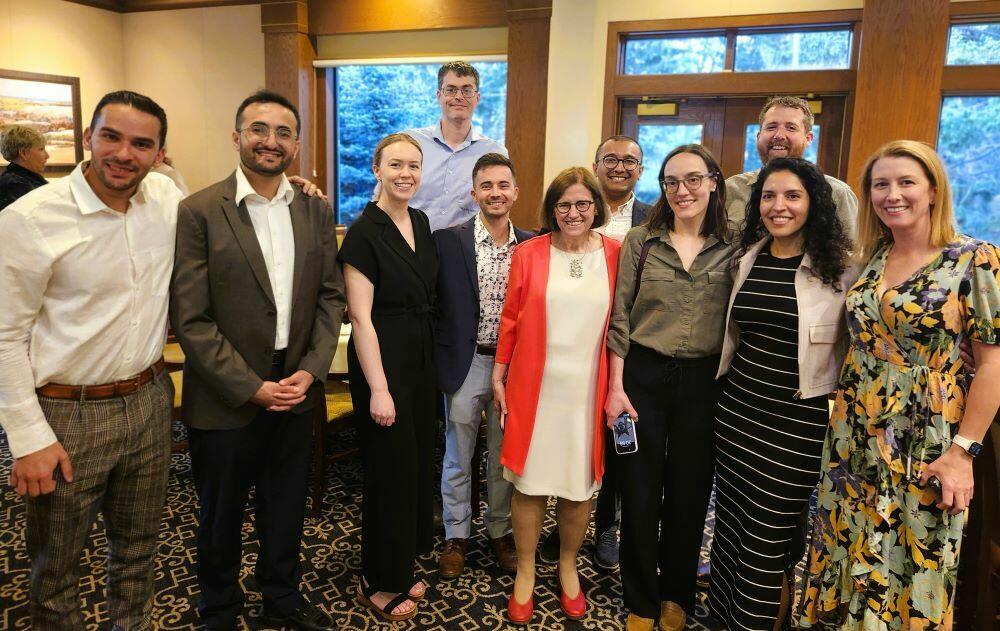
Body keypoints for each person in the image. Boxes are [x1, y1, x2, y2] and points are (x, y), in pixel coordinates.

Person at [799, 140, 1000, 629]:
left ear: (933, 190)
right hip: (855, 432)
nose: (893, 194)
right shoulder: (872, 256)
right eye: (881, 185)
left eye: (907, 182)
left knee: (914, 556)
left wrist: (963, 451)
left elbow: (993, 364)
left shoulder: (974, 258)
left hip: (928, 435)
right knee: (846, 544)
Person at [0, 91, 182, 629]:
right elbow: (5, 336)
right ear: (88, 138)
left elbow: (221, 219)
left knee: (140, 551)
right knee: (56, 567)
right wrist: (27, 437)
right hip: (66, 414)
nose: (124, 153)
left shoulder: (167, 199)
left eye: (141, 144)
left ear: (159, 153)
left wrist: (292, 190)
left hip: (150, 400)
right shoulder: (29, 219)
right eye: (112, 137)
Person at [169, 90, 345, 631]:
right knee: (220, 516)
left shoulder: (315, 207)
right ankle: (219, 609)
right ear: (237, 136)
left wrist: (310, 372)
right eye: (259, 129)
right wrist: (252, 387)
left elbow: (329, 298)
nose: (271, 141)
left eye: (283, 132)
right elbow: (191, 319)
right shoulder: (198, 210)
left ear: (296, 142)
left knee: (285, 508)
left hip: (294, 386)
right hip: (227, 396)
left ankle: (281, 601)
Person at [709, 157, 855, 631]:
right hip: (737, 411)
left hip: (796, 421)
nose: (779, 206)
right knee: (731, 526)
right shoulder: (749, 255)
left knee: (768, 537)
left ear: (814, 203)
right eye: (769, 196)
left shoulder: (840, 268)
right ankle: (724, 618)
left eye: (792, 196)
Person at [605, 144, 737, 631]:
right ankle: (640, 597)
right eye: (671, 182)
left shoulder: (735, 244)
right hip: (642, 377)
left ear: (713, 182)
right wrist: (615, 388)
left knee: (689, 492)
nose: (682, 191)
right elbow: (619, 318)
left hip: (704, 384)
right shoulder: (641, 241)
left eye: (693, 179)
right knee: (638, 491)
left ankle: (676, 594)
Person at [492, 167, 621, 625]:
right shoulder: (529, 253)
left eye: (583, 204)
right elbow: (510, 319)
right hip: (534, 387)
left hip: (589, 390)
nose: (573, 212)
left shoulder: (616, 254)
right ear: (552, 209)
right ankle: (525, 570)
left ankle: (568, 566)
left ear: (595, 208)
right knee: (528, 482)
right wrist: (499, 375)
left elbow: (622, 326)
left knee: (578, 483)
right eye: (564, 205)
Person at [537, 135, 652, 572]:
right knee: (571, 447)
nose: (619, 167)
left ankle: (607, 527)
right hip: (571, 357)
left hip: (624, 352)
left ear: (640, 169)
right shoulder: (573, 207)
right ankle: (560, 530)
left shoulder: (653, 218)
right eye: (610, 159)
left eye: (629, 161)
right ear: (597, 164)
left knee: (617, 450)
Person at [341, 132, 439, 622]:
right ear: (376, 169)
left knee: (416, 467)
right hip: (384, 364)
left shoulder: (419, 220)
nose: (406, 174)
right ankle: (377, 580)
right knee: (389, 473)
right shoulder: (363, 232)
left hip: (420, 362)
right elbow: (360, 318)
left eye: (414, 166)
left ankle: (399, 563)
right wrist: (379, 388)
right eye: (396, 164)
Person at [434, 152, 533, 577]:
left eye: (503, 185)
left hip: (513, 365)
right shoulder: (448, 240)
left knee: (503, 456)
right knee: (458, 453)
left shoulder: (532, 244)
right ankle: (456, 534)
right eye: (487, 185)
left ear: (515, 191)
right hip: (466, 360)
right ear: (474, 193)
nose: (496, 192)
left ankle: (498, 530)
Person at [394, 60, 507, 231]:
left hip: (465, 253)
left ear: (477, 98)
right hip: (410, 250)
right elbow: (384, 197)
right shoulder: (409, 142)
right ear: (439, 95)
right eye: (451, 89)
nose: (459, 96)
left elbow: (500, 209)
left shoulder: (494, 152)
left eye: (467, 90)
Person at [725, 96, 857, 238]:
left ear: (808, 138)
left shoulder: (837, 193)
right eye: (771, 127)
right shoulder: (730, 189)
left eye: (791, 128)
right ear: (758, 136)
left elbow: (852, 254)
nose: (779, 135)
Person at [0, 124, 49, 211]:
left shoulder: (23, 180)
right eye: (41, 149)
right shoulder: (15, 185)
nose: (47, 156)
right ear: (23, 153)